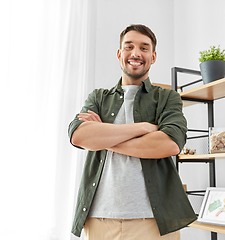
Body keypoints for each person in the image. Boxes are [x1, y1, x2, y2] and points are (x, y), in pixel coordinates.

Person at [68, 24, 196, 240]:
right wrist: (144, 128)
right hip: (99, 219)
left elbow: (170, 144)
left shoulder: (167, 98)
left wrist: (102, 138)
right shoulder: (98, 97)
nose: (136, 53)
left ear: (153, 57)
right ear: (119, 53)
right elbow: (79, 136)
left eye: (144, 48)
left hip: (155, 221)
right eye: (129, 46)